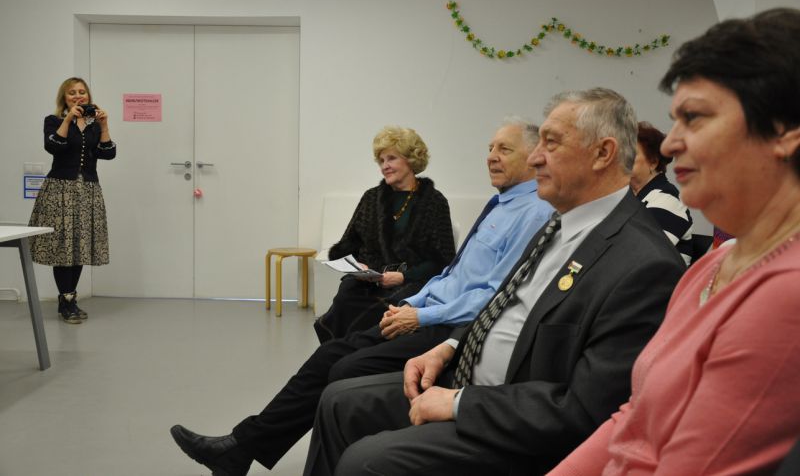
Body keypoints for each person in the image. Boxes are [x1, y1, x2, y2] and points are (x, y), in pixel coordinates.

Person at [302, 88, 687, 476]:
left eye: (551, 143)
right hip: (470, 379)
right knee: (337, 401)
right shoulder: (560, 224)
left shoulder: (643, 264)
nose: (535, 157)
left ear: (602, 153)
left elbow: (585, 410)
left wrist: (460, 403)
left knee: (364, 462)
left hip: (515, 425)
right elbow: (502, 303)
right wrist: (450, 347)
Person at [169, 121, 554, 475]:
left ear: (534, 156)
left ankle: (247, 448)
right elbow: (448, 275)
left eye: (504, 149)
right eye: (490, 148)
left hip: (444, 322)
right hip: (416, 304)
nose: (491, 156)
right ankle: (240, 447)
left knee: (341, 367)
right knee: (333, 351)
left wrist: (414, 304)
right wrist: (406, 299)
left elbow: (484, 287)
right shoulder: (495, 203)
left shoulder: (527, 212)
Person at [548, 8, 800, 475]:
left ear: (784, 131)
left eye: (694, 117)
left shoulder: (787, 292)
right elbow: (637, 417)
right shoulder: (711, 266)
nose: (669, 144)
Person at [313, 126, 456, 342]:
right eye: (381, 161)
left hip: (412, 281)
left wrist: (403, 276)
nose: (384, 166)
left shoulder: (434, 202)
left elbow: (443, 260)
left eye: (391, 158)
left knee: (388, 307)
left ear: (411, 160)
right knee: (346, 295)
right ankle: (339, 351)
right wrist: (359, 266)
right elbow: (346, 245)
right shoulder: (371, 198)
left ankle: (359, 352)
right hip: (370, 280)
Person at [28, 77, 116, 324]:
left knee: (79, 246)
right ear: (64, 98)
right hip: (60, 190)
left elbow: (108, 153)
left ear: (88, 96)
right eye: (72, 93)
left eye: (82, 92)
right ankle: (66, 300)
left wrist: (104, 125)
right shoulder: (54, 121)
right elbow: (53, 146)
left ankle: (69, 299)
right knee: (62, 247)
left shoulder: (94, 124)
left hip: (88, 190)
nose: (78, 96)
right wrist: (68, 120)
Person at [631, 121, 693, 264]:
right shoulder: (630, 197)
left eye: (631, 154)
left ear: (653, 162)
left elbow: (641, 255)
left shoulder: (667, 200)